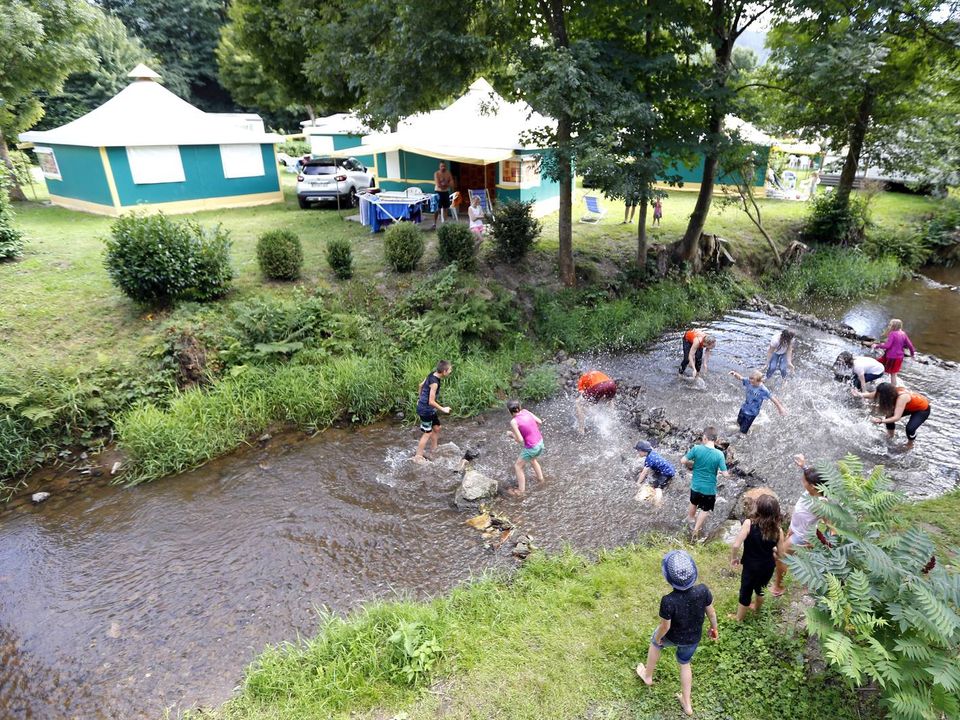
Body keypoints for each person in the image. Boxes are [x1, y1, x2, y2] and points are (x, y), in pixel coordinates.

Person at [635, 550, 719, 717]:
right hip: (693, 638)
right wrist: (714, 628)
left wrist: (658, 638)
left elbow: (665, 627)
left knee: (655, 643)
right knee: (684, 664)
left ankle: (648, 676)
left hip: (672, 636)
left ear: (668, 578)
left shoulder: (668, 600)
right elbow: (711, 613)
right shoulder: (703, 590)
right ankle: (687, 704)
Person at [772, 454, 824, 596]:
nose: (802, 481)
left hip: (801, 536)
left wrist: (817, 543)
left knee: (781, 557)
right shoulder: (812, 491)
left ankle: (779, 587)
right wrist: (803, 466)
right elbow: (812, 477)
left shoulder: (821, 504)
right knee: (780, 553)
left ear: (812, 486)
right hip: (795, 529)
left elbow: (832, 527)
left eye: (804, 481)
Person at [729, 494, 784, 621]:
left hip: (751, 566)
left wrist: (734, 558)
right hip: (767, 566)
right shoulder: (778, 530)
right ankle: (757, 611)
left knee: (746, 590)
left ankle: (739, 619)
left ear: (758, 508)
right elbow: (781, 554)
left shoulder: (749, 523)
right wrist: (773, 550)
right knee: (761, 589)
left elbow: (736, 545)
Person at [682, 427, 730, 540]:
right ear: (716, 440)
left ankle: (690, 519)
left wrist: (694, 463)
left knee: (693, 503)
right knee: (704, 510)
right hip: (709, 490)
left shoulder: (696, 448)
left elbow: (683, 461)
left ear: (704, 438)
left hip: (695, 486)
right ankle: (695, 531)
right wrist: (726, 473)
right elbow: (725, 474)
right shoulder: (719, 454)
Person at [854, 382, 930, 450]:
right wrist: (859, 394)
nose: (879, 397)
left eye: (881, 396)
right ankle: (890, 435)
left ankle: (910, 445)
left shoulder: (902, 397)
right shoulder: (890, 391)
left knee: (910, 429)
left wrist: (881, 421)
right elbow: (872, 395)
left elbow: (896, 417)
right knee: (889, 415)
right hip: (909, 406)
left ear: (886, 394)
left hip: (922, 410)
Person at [413, 360, 453, 463]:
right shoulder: (434, 383)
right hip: (425, 410)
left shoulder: (432, 374)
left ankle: (434, 450)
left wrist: (420, 398)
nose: (450, 372)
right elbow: (431, 401)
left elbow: (420, 385)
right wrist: (443, 409)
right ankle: (418, 456)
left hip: (429, 409)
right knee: (427, 433)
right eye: (449, 370)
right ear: (444, 371)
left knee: (437, 428)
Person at [729, 369, 787, 435]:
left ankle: (740, 437)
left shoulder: (763, 390)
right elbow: (741, 378)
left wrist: (780, 408)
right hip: (744, 408)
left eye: (753, 380)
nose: (750, 381)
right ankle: (748, 428)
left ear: (758, 381)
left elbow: (773, 399)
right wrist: (735, 373)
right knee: (738, 423)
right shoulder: (749, 381)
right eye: (750, 379)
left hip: (752, 413)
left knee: (742, 432)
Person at [506, 399, 544, 496]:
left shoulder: (514, 421)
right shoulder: (526, 411)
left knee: (518, 466)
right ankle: (541, 479)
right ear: (520, 407)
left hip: (532, 447)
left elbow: (520, 440)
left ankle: (521, 491)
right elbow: (539, 422)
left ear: (509, 411)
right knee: (533, 460)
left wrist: (511, 434)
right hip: (540, 443)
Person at [872, 318, 916, 387]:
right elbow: (910, 345)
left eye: (890, 325)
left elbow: (888, 346)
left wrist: (877, 346)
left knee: (878, 366)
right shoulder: (903, 334)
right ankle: (890, 386)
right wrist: (912, 354)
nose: (888, 326)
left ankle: (891, 388)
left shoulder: (892, 334)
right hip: (899, 357)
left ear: (894, 326)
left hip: (891, 357)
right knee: (893, 373)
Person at [634, 440, 675, 505]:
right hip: (668, 468)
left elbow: (644, 473)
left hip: (666, 473)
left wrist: (638, 483)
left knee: (658, 488)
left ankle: (658, 504)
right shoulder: (651, 452)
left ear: (643, 451)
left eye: (638, 451)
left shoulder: (649, 459)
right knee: (654, 480)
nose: (638, 453)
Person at [432, 162, 455, 228]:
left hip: (446, 192)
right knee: (437, 209)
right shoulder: (437, 173)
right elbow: (438, 185)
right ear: (439, 167)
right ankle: (434, 224)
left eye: (444, 166)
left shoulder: (448, 173)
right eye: (441, 166)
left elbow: (452, 183)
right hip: (438, 192)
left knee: (446, 208)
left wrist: (445, 184)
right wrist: (447, 184)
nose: (443, 167)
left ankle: (445, 223)